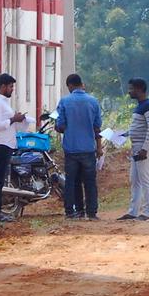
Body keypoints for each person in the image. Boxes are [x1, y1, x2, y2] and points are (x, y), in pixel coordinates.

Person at [55, 73, 103, 220]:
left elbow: (60, 125)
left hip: (71, 148)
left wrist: (63, 128)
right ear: (81, 84)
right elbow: (97, 127)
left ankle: (72, 211)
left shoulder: (64, 101)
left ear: (70, 85)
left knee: (72, 181)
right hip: (88, 148)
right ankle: (92, 212)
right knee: (90, 182)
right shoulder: (93, 101)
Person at [0, 72, 31, 224]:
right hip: (1, 144)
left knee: (1, 177)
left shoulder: (3, 102)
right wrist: (13, 119)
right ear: (3, 86)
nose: (12, 89)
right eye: (11, 87)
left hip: (7, 142)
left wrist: (19, 119)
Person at [120, 78, 149, 222]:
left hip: (143, 148)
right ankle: (133, 211)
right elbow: (137, 128)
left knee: (145, 180)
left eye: (131, 89)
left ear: (139, 89)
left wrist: (145, 148)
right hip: (136, 147)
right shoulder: (140, 106)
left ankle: (147, 212)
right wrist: (121, 134)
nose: (129, 92)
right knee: (135, 180)